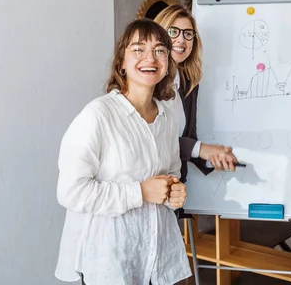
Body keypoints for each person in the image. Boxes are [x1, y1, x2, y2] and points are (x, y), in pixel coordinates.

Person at [54, 19, 191, 285]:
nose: (150, 58)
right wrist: (139, 192)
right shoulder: (98, 115)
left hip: (158, 257)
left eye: (160, 50)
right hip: (111, 262)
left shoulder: (167, 118)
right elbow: (71, 191)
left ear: (167, 63)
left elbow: (170, 176)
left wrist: (174, 192)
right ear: (122, 63)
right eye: (138, 49)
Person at [154, 3, 238, 184]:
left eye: (188, 34)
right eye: (173, 31)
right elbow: (154, 139)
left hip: (176, 190)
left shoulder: (187, 84)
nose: (181, 40)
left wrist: (212, 159)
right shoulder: (147, 83)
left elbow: (188, 139)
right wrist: (202, 149)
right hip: (149, 186)